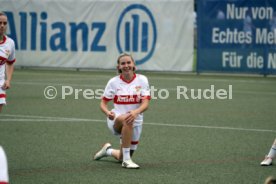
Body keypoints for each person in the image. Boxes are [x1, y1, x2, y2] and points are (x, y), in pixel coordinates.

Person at [93, 53, 151, 169]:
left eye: (129, 62)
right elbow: (103, 103)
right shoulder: (113, 82)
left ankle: (107, 150)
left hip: (136, 120)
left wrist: (136, 112)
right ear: (118, 67)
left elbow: (146, 103)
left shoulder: (142, 80)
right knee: (127, 119)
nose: (126, 65)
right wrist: (107, 112)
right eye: (122, 63)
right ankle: (127, 161)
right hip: (117, 119)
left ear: (134, 65)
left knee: (121, 156)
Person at [0, 12, 16, 113]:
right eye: (0, 22)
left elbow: (10, 63)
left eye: (5, 23)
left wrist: (8, 80)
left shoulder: (10, 43)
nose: (2, 25)